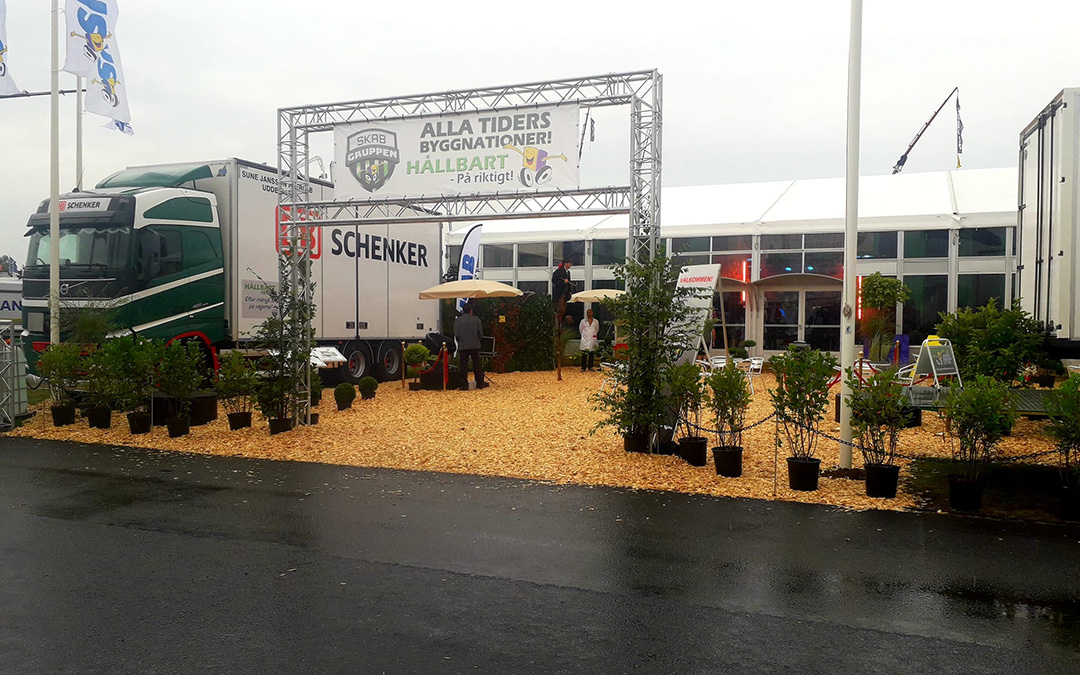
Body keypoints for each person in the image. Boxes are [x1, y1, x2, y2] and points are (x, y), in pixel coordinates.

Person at [454, 301, 487, 389]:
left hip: (463, 345)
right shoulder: (476, 319)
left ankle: (464, 384)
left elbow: (457, 334)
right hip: (475, 345)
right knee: (476, 364)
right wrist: (477, 340)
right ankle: (479, 383)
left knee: (463, 365)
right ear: (471, 310)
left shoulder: (458, 321)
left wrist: (460, 342)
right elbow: (480, 333)